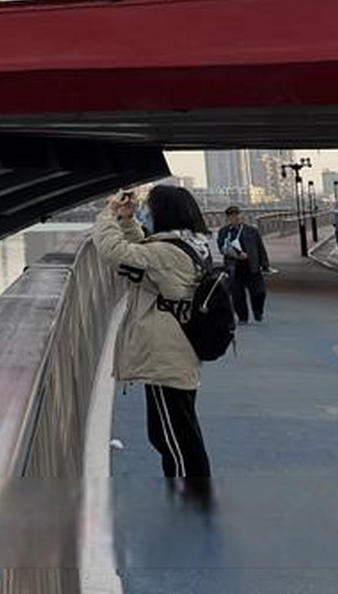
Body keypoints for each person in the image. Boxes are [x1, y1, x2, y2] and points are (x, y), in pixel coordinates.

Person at [93, 182, 216, 488]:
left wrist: (108, 215)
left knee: (173, 436)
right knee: (176, 431)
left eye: (150, 207)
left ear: (164, 213)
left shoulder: (168, 253)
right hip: (177, 354)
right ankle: (191, 494)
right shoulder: (188, 245)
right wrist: (128, 219)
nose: (146, 211)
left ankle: (191, 501)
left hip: (167, 358)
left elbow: (113, 252)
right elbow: (144, 251)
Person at [214, 205, 271, 324]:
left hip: (252, 267)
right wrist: (236, 255)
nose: (235, 218)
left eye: (237, 215)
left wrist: (265, 264)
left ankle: (258, 310)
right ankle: (242, 317)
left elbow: (260, 248)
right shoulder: (224, 232)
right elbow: (221, 248)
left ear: (241, 216)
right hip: (234, 268)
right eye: (232, 216)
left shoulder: (251, 231)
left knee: (259, 292)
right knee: (237, 295)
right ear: (228, 218)